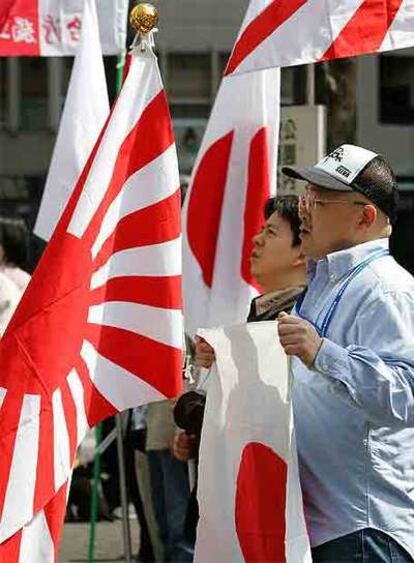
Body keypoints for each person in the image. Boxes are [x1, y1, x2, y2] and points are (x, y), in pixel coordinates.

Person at [278, 144, 414, 561]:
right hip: (321, 524)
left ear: (365, 216)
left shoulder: (385, 288)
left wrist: (322, 352)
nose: (303, 210)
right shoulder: (325, 281)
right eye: (304, 197)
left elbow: (406, 394)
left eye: (318, 201)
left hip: (361, 526)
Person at [173, 195, 306, 540]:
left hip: (278, 502)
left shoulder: (302, 319)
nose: (256, 239)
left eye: (271, 233)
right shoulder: (261, 312)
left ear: (301, 252)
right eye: (261, 229)